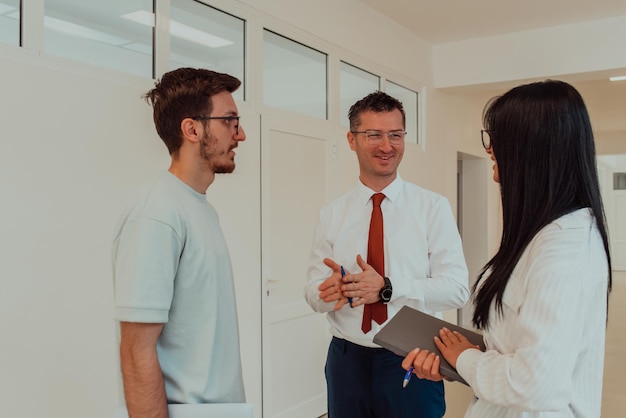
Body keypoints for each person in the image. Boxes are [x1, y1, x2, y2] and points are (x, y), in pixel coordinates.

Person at [402, 80, 613, 418]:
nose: (490, 150)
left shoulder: (565, 250)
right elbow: (521, 348)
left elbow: (537, 383)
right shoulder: (545, 234)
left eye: (495, 139)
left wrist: (465, 359)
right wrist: (465, 358)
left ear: (530, 150)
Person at [305, 91, 469, 418]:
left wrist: (388, 287)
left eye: (396, 135)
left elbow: (457, 289)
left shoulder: (432, 207)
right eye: (374, 135)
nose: (387, 146)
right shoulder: (332, 214)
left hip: (412, 359)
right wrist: (329, 293)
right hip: (347, 361)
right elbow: (312, 293)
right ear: (352, 140)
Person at [112, 67, 247, 418]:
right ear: (192, 129)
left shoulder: (199, 208)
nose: (241, 135)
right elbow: (136, 352)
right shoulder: (157, 215)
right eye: (230, 121)